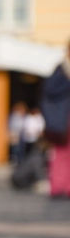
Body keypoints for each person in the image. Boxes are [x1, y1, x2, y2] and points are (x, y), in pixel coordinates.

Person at [40, 39, 70, 199]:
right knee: (60, 154)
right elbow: (50, 91)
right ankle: (58, 186)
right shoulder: (61, 70)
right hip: (63, 119)